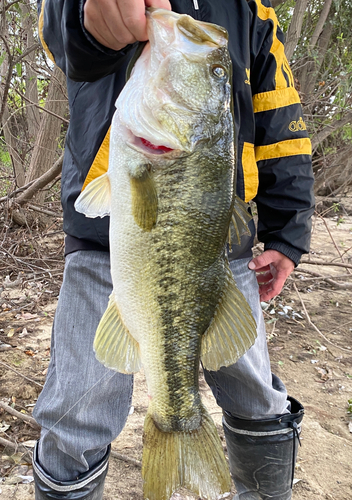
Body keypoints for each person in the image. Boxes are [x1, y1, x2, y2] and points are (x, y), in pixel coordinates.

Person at [33, 0, 314, 499]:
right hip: (104, 249)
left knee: (256, 397)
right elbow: (61, 36)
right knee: (75, 410)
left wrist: (289, 233)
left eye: (211, 72)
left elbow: (281, 122)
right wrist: (86, 18)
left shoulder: (253, 12)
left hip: (224, 253)